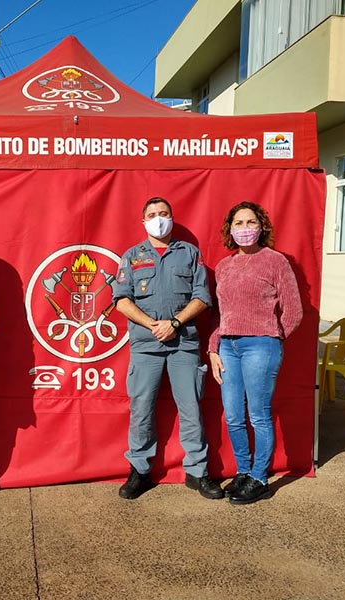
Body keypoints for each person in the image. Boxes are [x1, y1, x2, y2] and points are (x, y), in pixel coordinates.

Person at [112, 197, 223, 500]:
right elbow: (121, 300)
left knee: (191, 409)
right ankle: (140, 470)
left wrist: (173, 323)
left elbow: (202, 298)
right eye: (152, 215)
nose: (158, 219)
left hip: (183, 344)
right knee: (141, 410)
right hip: (146, 346)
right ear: (143, 221)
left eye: (163, 214)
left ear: (172, 218)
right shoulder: (132, 256)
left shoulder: (190, 254)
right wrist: (152, 324)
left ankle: (197, 472)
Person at [208, 201, 302, 505]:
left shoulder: (275, 261)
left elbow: (294, 311)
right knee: (234, 416)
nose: (245, 228)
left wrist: (271, 339)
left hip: (260, 345)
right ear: (230, 229)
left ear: (261, 227)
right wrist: (213, 349)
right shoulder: (224, 266)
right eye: (238, 223)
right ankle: (244, 472)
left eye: (251, 222)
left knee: (258, 415)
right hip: (228, 347)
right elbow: (221, 315)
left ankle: (260, 478)